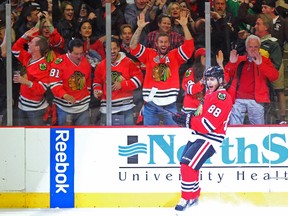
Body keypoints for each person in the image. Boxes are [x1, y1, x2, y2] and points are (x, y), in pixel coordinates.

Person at [172, 66, 233, 212]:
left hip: (210, 138)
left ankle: (186, 198)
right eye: (207, 80)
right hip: (198, 135)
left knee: (187, 165)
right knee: (189, 165)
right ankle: (193, 197)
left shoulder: (222, 97)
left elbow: (208, 124)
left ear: (220, 80)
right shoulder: (209, 94)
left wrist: (188, 121)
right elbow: (200, 116)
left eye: (212, 79)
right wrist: (186, 117)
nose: (209, 83)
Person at [130, 10, 194, 125]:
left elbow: (189, 47)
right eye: (161, 42)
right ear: (156, 43)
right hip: (151, 104)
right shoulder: (149, 54)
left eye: (165, 42)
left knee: (174, 134)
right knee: (149, 134)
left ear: (169, 44)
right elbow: (133, 47)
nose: (163, 44)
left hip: (170, 103)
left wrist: (184, 26)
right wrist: (139, 28)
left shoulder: (175, 55)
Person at [225, 34, 279, 125]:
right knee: (234, 127)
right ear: (246, 49)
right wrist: (231, 63)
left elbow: (274, 77)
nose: (253, 49)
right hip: (237, 99)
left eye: (255, 47)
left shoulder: (264, 61)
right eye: (250, 47)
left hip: (256, 100)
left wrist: (260, 64)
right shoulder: (239, 59)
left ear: (259, 48)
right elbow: (225, 77)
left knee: (258, 128)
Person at [93, 37, 143, 126]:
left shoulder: (129, 62)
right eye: (109, 49)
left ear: (119, 48)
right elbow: (97, 82)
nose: (112, 51)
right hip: (107, 108)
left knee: (127, 136)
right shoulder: (101, 65)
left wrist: (123, 84)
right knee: (107, 137)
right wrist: (97, 91)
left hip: (126, 107)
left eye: (114, 48)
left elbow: (139, 80)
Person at [11, 27, 50, 126]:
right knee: (20, 136)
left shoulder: (43, 67)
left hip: (35, 110)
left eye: (31, 42)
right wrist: (25, 36)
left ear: (37, 48)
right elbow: (15, 49)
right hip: (21, 105)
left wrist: (26, 82)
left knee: (37, 138)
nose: (28, 43)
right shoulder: (27, 58)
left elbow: (42, 89)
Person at [49, 38, 92, 126]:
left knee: (83, 136)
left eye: (81, 53)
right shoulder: (58, 63)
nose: (79, 56)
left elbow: (87, 82)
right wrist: (65, 95)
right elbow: (54, 84)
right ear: (68, 51)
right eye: (76, 54)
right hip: (64, 108)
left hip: (83, 108)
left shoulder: (86, 61)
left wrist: (88, 93)